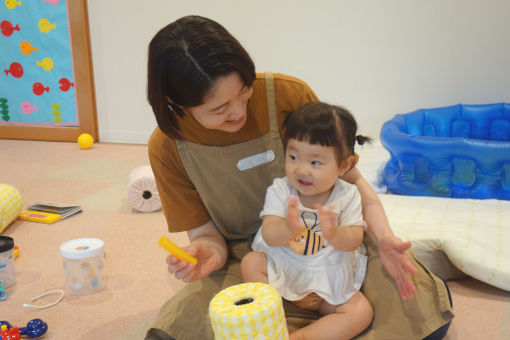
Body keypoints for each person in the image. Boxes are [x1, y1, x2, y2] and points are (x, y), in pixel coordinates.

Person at [145, 15, 453, 340]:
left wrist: (383, 238)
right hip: (249, 259)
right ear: (175, 103)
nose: (237, 112)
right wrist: (208, 252)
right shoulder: (167, 148)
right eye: (219, 108)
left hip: (333, 254)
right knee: (182, 324)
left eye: (244, 93)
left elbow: (352, 184)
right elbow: (208, 236)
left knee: (416, 305)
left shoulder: (286, 95)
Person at [241, 102, 374, 339]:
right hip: (283, 269)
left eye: (315, 163)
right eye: (293, 157)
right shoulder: (281, 190)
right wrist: (287, 227)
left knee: (361, 312)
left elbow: (355, 239)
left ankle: (301, 337)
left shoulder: (347, 194)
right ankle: (269, 317)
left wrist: (334, 233)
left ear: (344, 165)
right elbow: (270, 235)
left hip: (327, 282)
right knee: (251, 263)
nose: (301, 170)